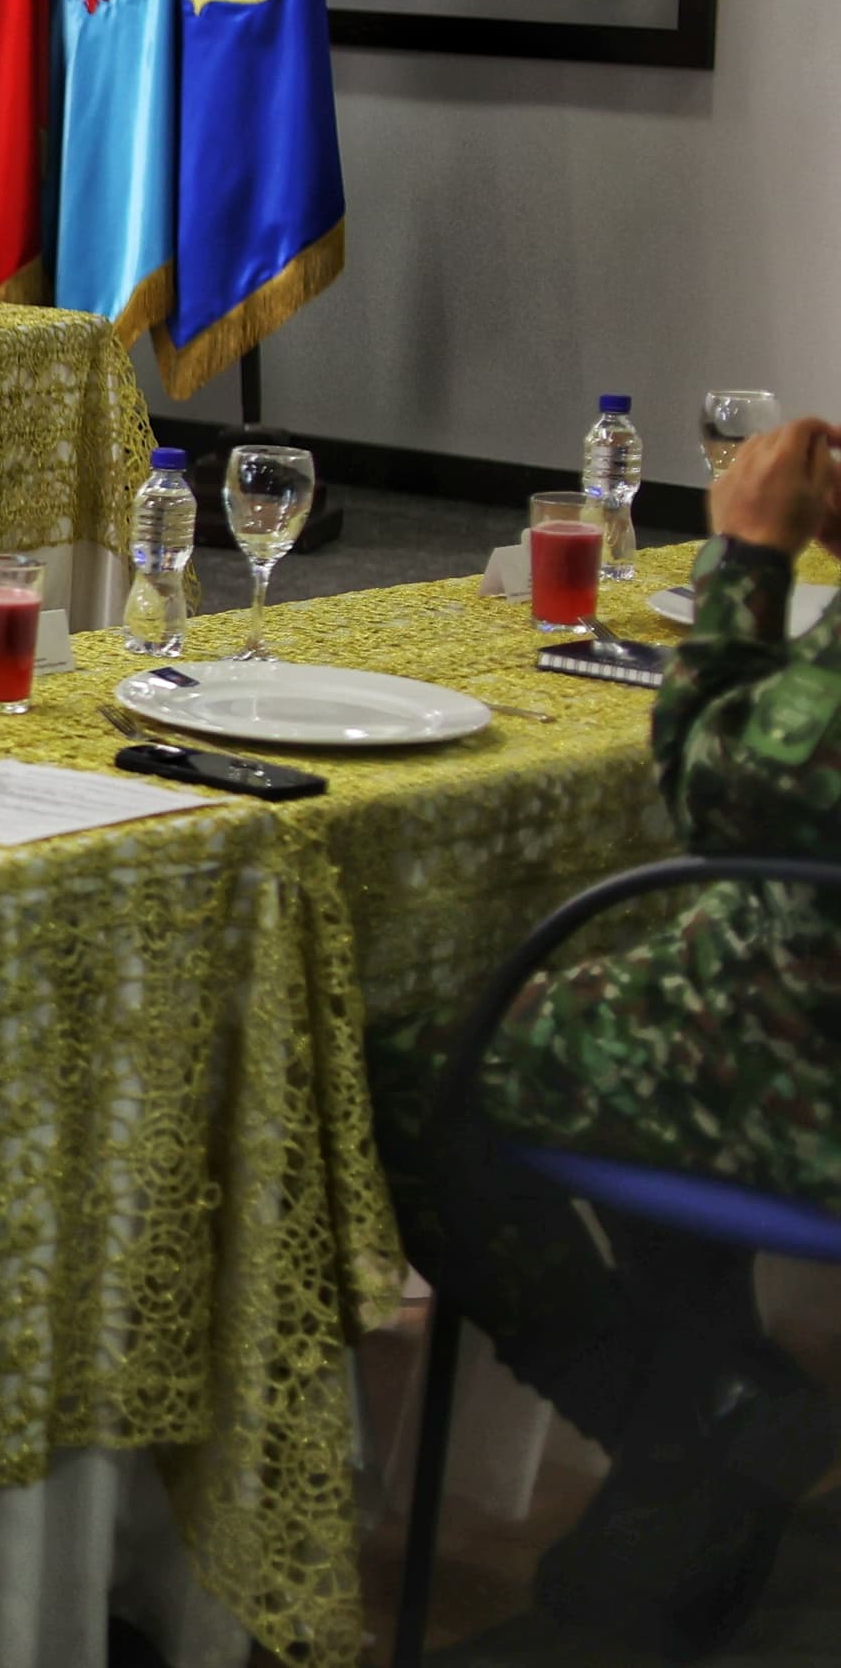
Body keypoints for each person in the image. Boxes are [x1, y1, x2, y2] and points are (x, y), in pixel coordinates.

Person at [363, 415, 841, 1660]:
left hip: (812, 1060)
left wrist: (746, 556)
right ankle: (711, 1400)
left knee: (417, 1067)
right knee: (631, 996)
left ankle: (685, 1417)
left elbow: (722, 782)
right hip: (781, 1011)